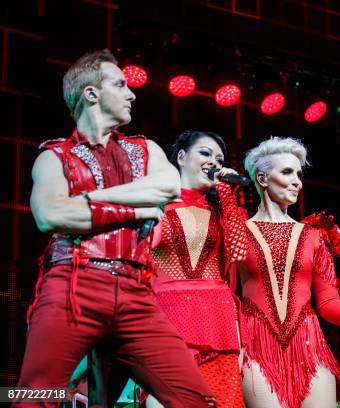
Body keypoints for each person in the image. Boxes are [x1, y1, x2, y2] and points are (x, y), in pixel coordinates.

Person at [16, 49, 215, 407]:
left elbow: (167, 188)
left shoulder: (146, 149)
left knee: (196, 400)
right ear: (92, 93)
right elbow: (49, 215)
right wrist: (138, 211)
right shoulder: (54, 156)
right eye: (120, 85)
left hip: (137, 294)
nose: (132, 93)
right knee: (34, 396)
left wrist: (88, 199)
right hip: (74, 285)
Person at [239, 136, 340, 408]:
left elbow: (327, 302)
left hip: (308, 343)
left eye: (299, 174)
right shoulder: (238, 232)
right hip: (256, 344)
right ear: (263, 178)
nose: (297, 181)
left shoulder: (314, 235)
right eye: (287, 172)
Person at [144, 130, 247, 407]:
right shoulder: (155, 205)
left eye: (219, 158)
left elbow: (240, 253)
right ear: (180, 156)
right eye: (205, 153)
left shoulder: (223, 211)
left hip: (218, 321)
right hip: (168, 317)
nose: (213, 161)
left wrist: (227, 195)